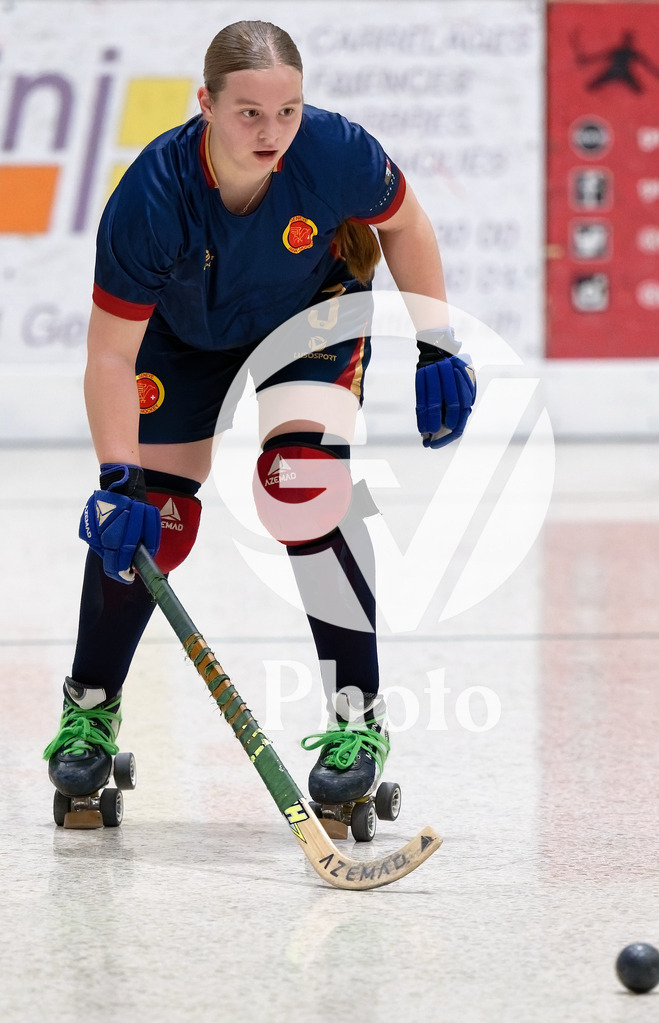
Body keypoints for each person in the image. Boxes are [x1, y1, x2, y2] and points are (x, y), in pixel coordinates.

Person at [43, 19, 475, 821]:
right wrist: (115, 479)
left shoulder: (334, 150)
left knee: (302, 485)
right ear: (204, 103)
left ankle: (359, 719)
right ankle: (91, 709)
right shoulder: (151, 197)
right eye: (248, 114)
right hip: (183, 334)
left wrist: (437, 345)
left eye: (287, 112)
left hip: (310, 313)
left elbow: (406, 225)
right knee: (149, 517)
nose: (272, 133)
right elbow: (109, 358)